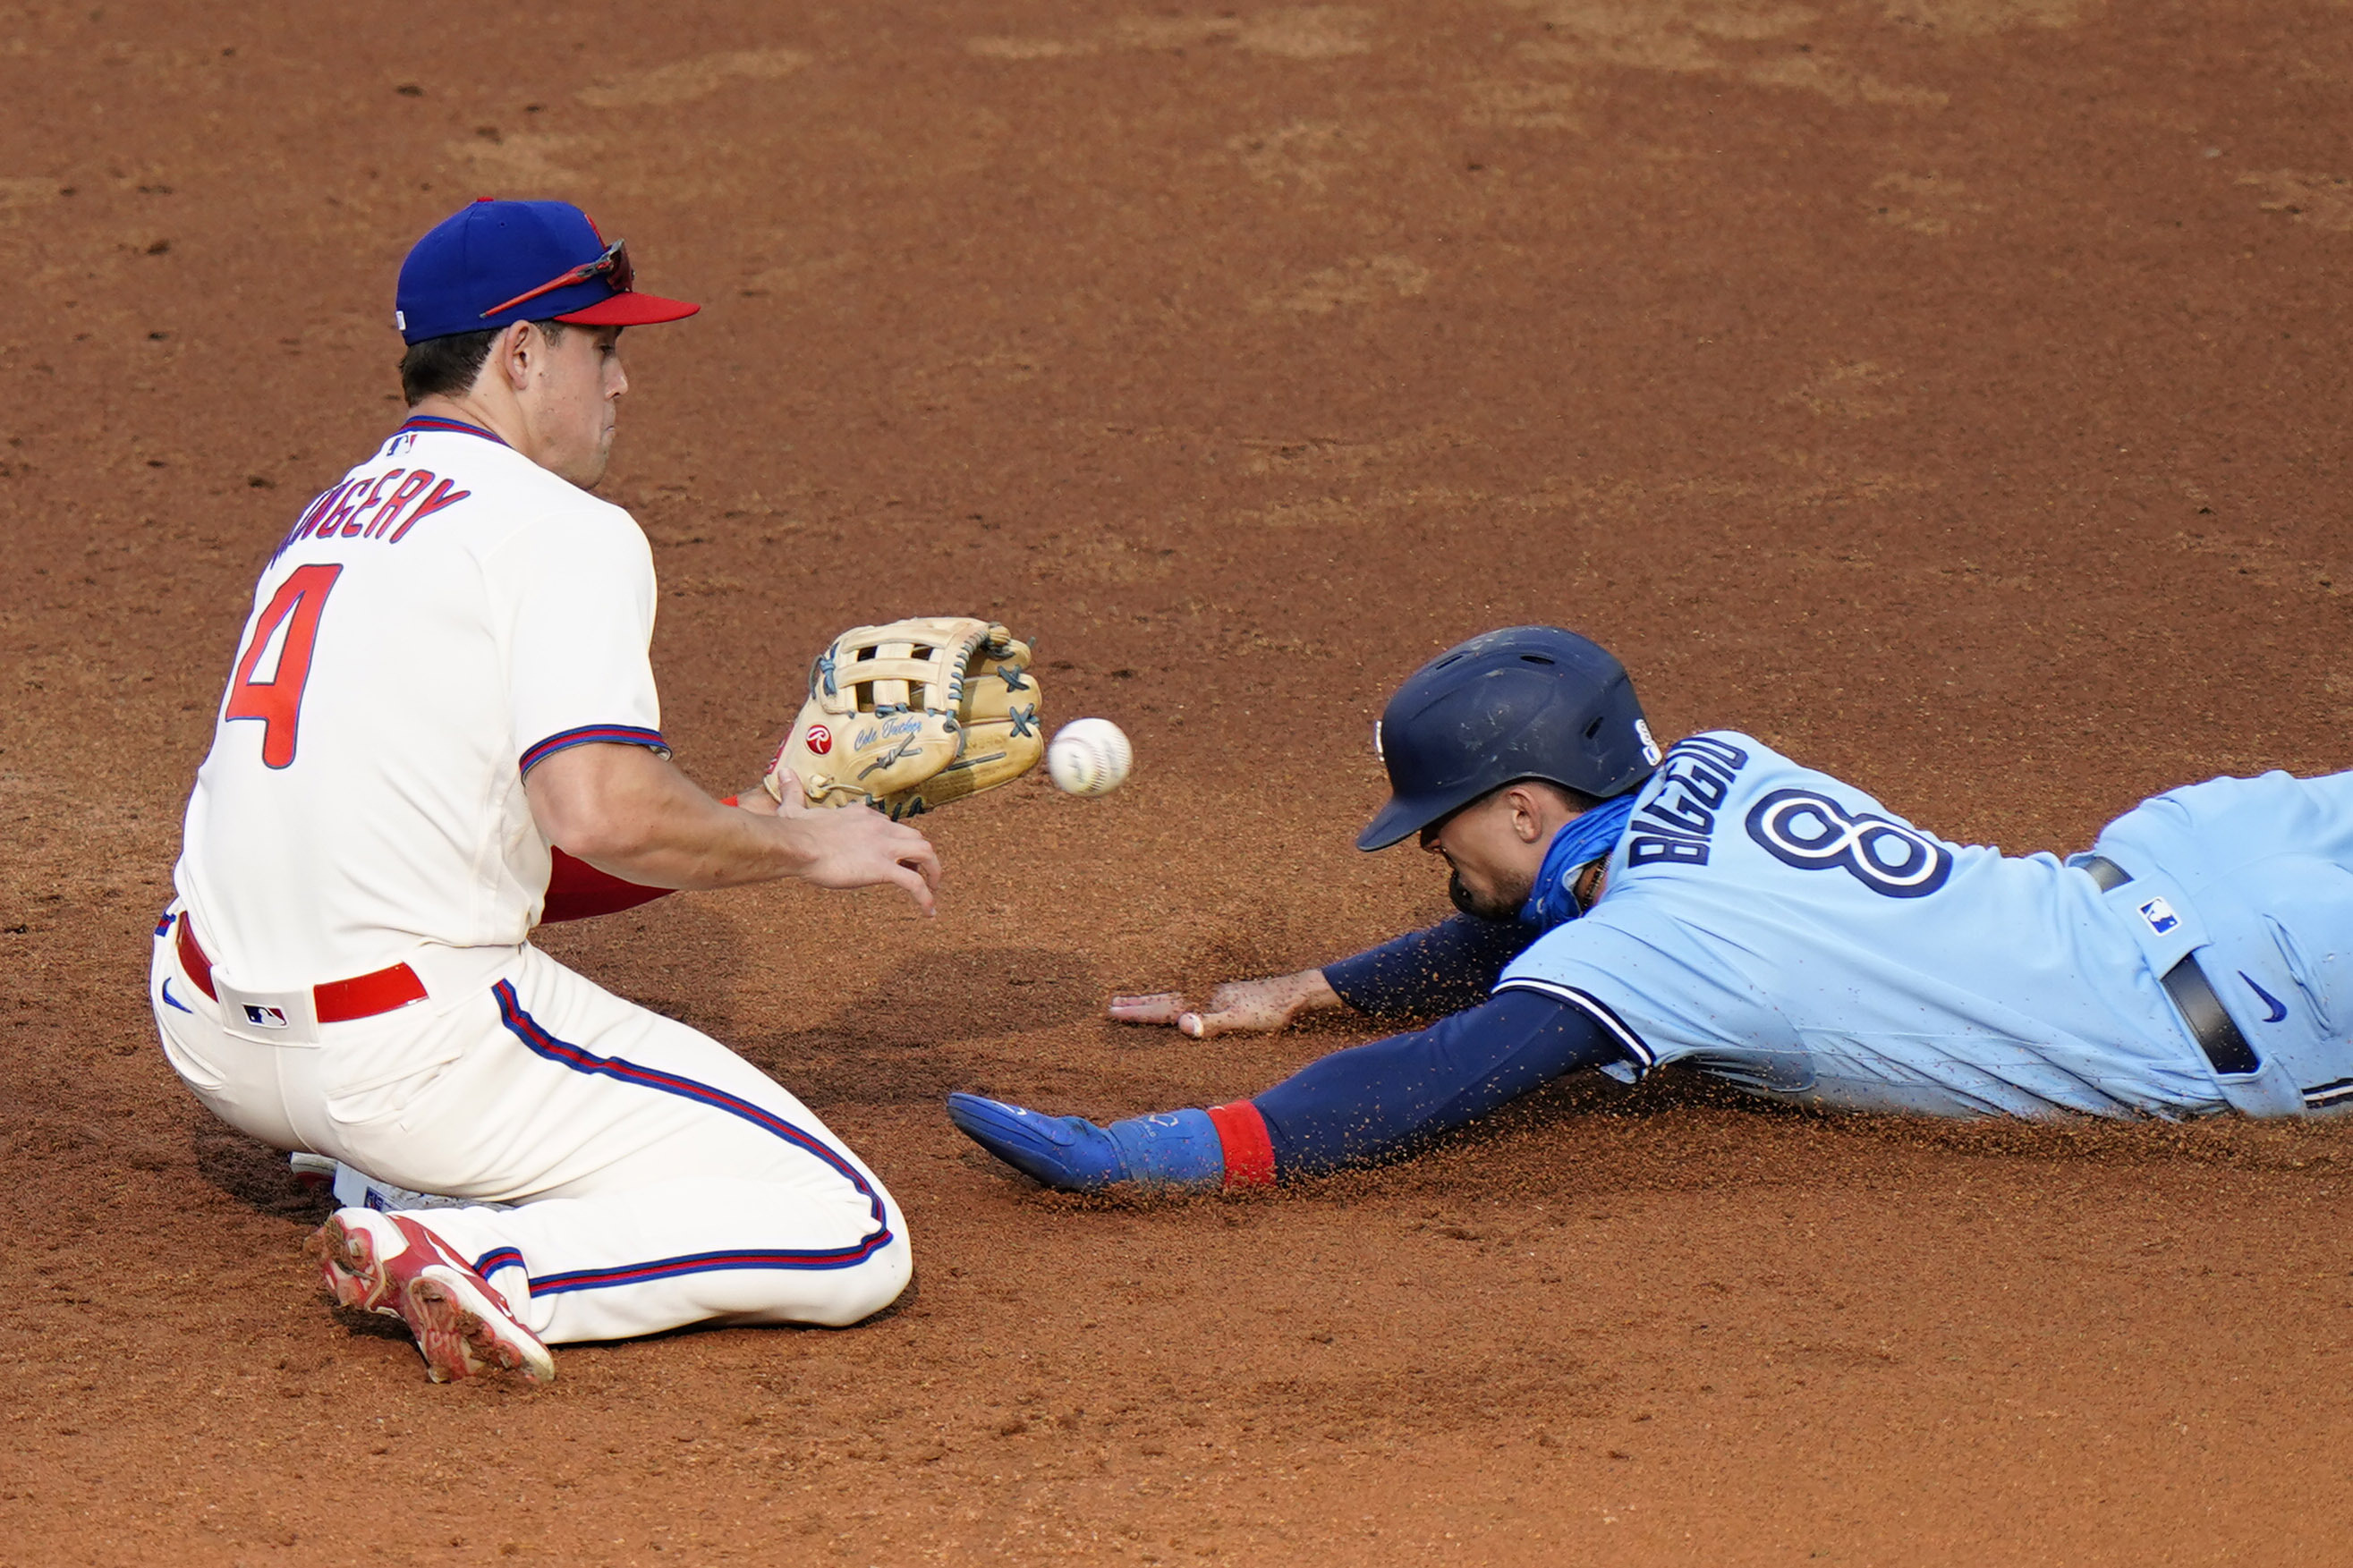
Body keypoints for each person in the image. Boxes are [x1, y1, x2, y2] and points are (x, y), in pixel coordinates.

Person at [150, 199, 942, 1382]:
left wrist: (751, 806)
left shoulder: (327, 522)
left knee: (404, 979)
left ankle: (381, 1167)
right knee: (851, 1229)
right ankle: (477, 1251)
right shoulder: (560, 529)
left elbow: (477, 841)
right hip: (406, 1065)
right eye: (601, 344)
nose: (620, 383)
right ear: (521, 354)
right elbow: (601, 813)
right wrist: (806, 842)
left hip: (211, 1034)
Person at [947, 624, 2353, 1192]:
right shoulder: (1717, 762)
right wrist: (1316, 984)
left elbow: (1441, 1076)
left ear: (1523, 806)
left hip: (2271, 996)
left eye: (1435, 822)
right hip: (2213, 846)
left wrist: (1155, 1154)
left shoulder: (1658, 946)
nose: (1424, 848)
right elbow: (1523, 924)